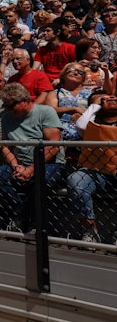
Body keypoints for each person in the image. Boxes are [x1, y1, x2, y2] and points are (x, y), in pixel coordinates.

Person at [0, 84, 63, 232]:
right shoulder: (6, 117)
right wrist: (17, 167)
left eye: (10, 106)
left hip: (49, 164)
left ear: (24, 100)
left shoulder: (45, 112)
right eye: (5, 106)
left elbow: (53, 146)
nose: (8, 110)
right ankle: (22, 213)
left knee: (39, 180)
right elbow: (6, 146)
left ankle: (20, 217)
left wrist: (31, 169)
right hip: (21, 164)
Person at [68, 91, 117, 243]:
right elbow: (80, 126)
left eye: (114, 97)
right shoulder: (92, 122)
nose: (110, 98)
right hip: (97, 174)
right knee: (75, 179)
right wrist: (96, 104)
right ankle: (90, 231)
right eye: (105, 98)